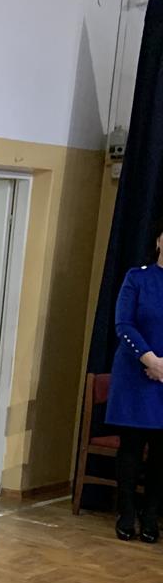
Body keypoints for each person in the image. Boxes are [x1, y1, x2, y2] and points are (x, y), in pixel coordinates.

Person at [107, 221, 163, 542]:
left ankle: (151, 515)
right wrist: (150, 360)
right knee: (131, 447)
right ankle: (126, 512)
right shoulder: (137, 277)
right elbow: (124, 324)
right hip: (135, 375)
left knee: (160, 453)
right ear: (158, 241)